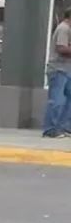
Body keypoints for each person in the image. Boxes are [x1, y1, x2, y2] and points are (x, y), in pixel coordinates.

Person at [43, 9, 71, 138]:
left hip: (67, 70)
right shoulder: (64, 28)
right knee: (57, 100)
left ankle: (64, 127)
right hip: (58, 70)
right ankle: (51, 129)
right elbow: (61, 48)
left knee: (68, 100)